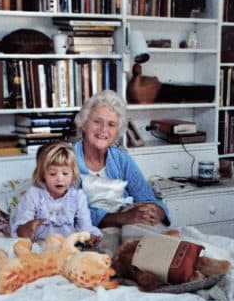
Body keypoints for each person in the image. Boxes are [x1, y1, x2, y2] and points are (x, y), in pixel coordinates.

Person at [72, 90, 171, 231]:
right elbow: (66, 212)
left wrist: (158, 211)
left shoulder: (121, 158)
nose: (103, 129)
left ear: (117, 131)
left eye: (111, 124)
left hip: (124, 231)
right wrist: (122, 218)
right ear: (84, 124)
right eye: (97, 122)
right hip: (85, 236)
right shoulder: (64, 158)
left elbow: (147, 197)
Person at [12, 141, 102, 243]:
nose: (60, 179)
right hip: (41, 245)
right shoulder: (34, 195)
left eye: (65, 173)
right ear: (42, 175)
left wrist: (89, 237)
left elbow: (84, 228)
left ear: (73, 174)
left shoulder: (78, 197)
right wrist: (26, 228)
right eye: (53, 173)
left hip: (68, 246)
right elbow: (21, 229)